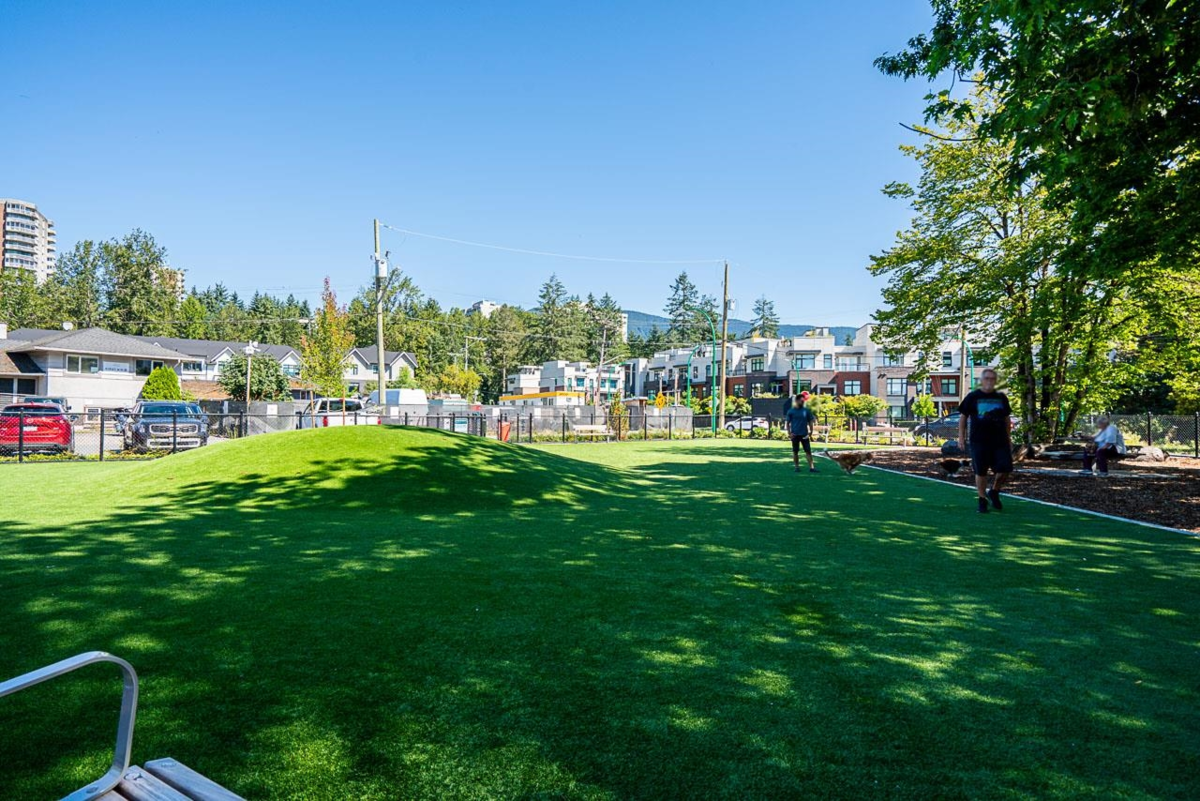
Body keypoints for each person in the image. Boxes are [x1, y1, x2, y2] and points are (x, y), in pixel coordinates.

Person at [957, 368, 1013, 513]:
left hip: (1000, 441)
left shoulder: (1001, 398)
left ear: (995, 381)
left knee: (1004, 469)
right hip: (979, 441)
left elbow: (1007, 418)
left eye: (992, 379)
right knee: (981, 471)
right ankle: (982, 499)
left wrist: (1009, 437)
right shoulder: (973, 397)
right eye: (986, 378)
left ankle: (994, 491)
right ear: (981, 381)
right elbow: (963, 417)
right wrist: (961, 437)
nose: (989, 381)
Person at [785, 391, 818, 473]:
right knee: (795, 452)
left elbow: (810, 421)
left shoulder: (806, 411)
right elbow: (787, 423)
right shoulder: (791, 411)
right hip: (795, 435)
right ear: (797, 401)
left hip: (804, 434)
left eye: (803, 400)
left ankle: (812, 468)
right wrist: (789, 433)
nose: (803, 402)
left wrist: (811, 431)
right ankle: (797, 467)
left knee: (808, 451)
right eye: (801, 400)